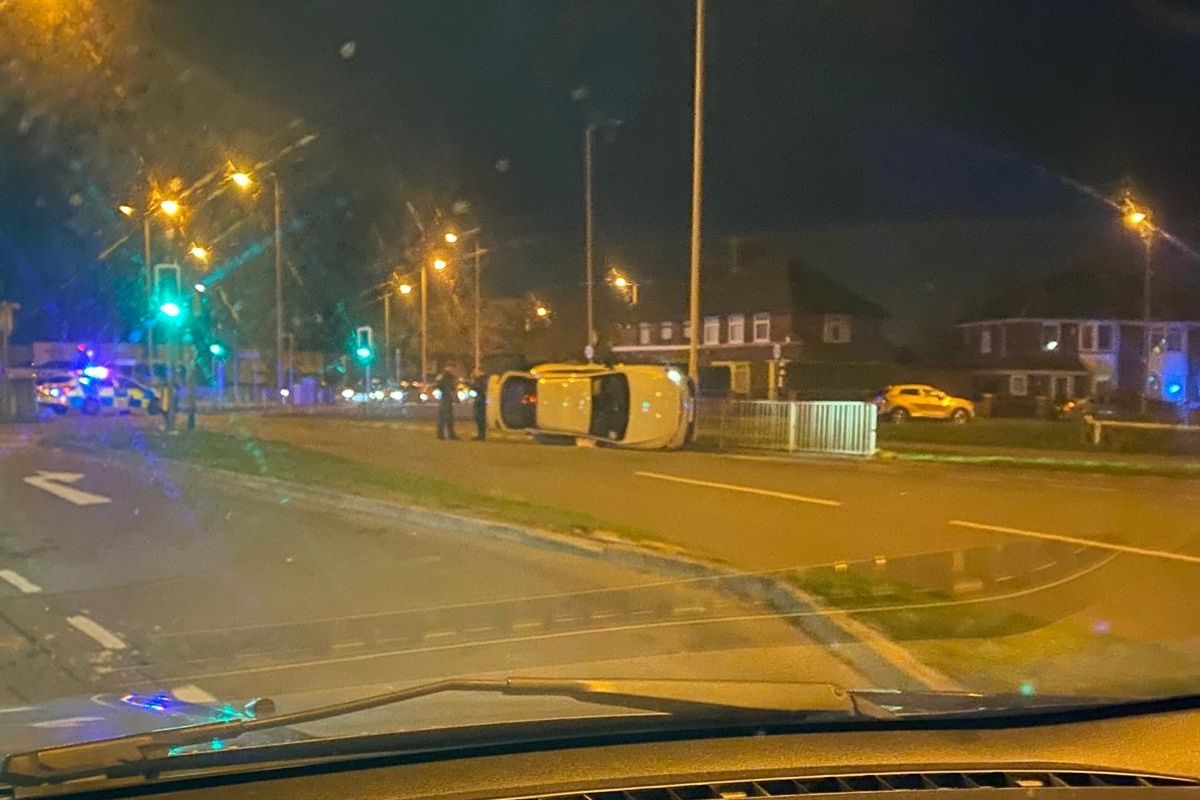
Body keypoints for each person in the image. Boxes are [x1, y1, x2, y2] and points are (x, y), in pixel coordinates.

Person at [434, 362, 459, 440]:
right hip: (445, 398)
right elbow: (442, 386)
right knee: (446, 417)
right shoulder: (445, 376)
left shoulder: (446, 376)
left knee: (445, 417)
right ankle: (448, 434)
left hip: (446, 398)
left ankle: (442, 434)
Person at [471, 368, 488, 440]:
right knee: (478, 418)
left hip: (481, 400)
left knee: (480, 418)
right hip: (478, 399)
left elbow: (480, 389)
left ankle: (481, 435)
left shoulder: (483, 379)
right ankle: (480, 435)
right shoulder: (479, 379)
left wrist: (473, 385)